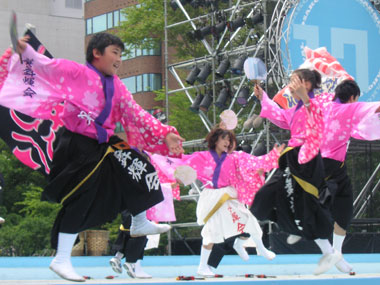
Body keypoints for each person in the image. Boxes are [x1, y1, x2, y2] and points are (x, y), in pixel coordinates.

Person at [0, 33, 184, 282]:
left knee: (141, 167)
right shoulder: (76, 72)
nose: (119, 59)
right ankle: (61, 259)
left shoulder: (117, 85)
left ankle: (140, 220)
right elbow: (46, 67)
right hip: (76, 144)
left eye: (121, 54)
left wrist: (165, 134)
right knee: (81, 199)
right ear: (96, 53)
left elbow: (135, 112)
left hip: (103, 143)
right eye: (115, 52)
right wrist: (25, 52)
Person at [250, 69, 341, 275]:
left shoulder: (317, 104)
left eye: (293, 81)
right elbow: (279, 116)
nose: (289, 85)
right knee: (265, 198)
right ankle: (293, 227)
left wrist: (306, 101)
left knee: (308, 205)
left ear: (307, 84)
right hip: (293, 158)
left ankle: (329, 251)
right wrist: (263, 96)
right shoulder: (296, 108)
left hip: (307, 159)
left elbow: (317, 126)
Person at [180, 127, 283, 276]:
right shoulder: (201, 157)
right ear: (215, 140)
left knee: (249, 219)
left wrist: (272, 156)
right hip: (212, 198)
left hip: (228, 196)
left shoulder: (235, 157)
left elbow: (254, 162)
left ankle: (259, 248)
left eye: (229, 139)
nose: (228, 142)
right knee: (211, 232)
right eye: (224, 139)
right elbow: (182, 163)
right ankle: (202, 266)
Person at [109, 210, 151, 279]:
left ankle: (117, 257)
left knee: (126, 236)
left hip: (126, 214)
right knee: (140, 237)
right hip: (137, 214)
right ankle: (131, 263)